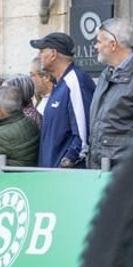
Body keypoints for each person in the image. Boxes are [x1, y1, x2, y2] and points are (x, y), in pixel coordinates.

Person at [86, 17, 133, 169]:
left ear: (113, 44)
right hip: (100, 169)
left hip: (124, 171)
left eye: (99, 42)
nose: (96, 47)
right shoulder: (106, 74)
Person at [30, 31, 95, 169]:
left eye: (42, 51)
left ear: (53, 54)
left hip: (66, 175)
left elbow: (83, 133)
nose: (38, 56)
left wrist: (68, 161)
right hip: (52, 174)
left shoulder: (75, 80)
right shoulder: (60, 84)